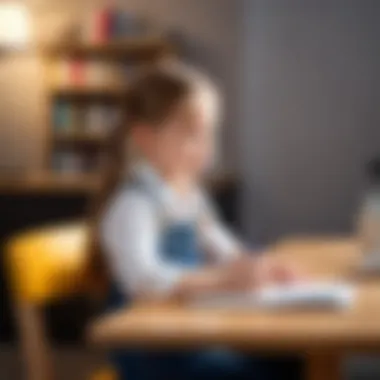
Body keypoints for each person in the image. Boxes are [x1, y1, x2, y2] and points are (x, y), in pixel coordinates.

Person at [90, 62, 302, 380]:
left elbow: (223, 247)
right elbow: (143, 280)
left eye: (210, 132)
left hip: (184, 334)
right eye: (192, 134)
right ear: (146, 139)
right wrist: (222, 280)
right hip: (149, 350)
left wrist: (260, 267)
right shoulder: (134, 203)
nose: (205, 147)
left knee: (289, 360)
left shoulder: (189, 197)